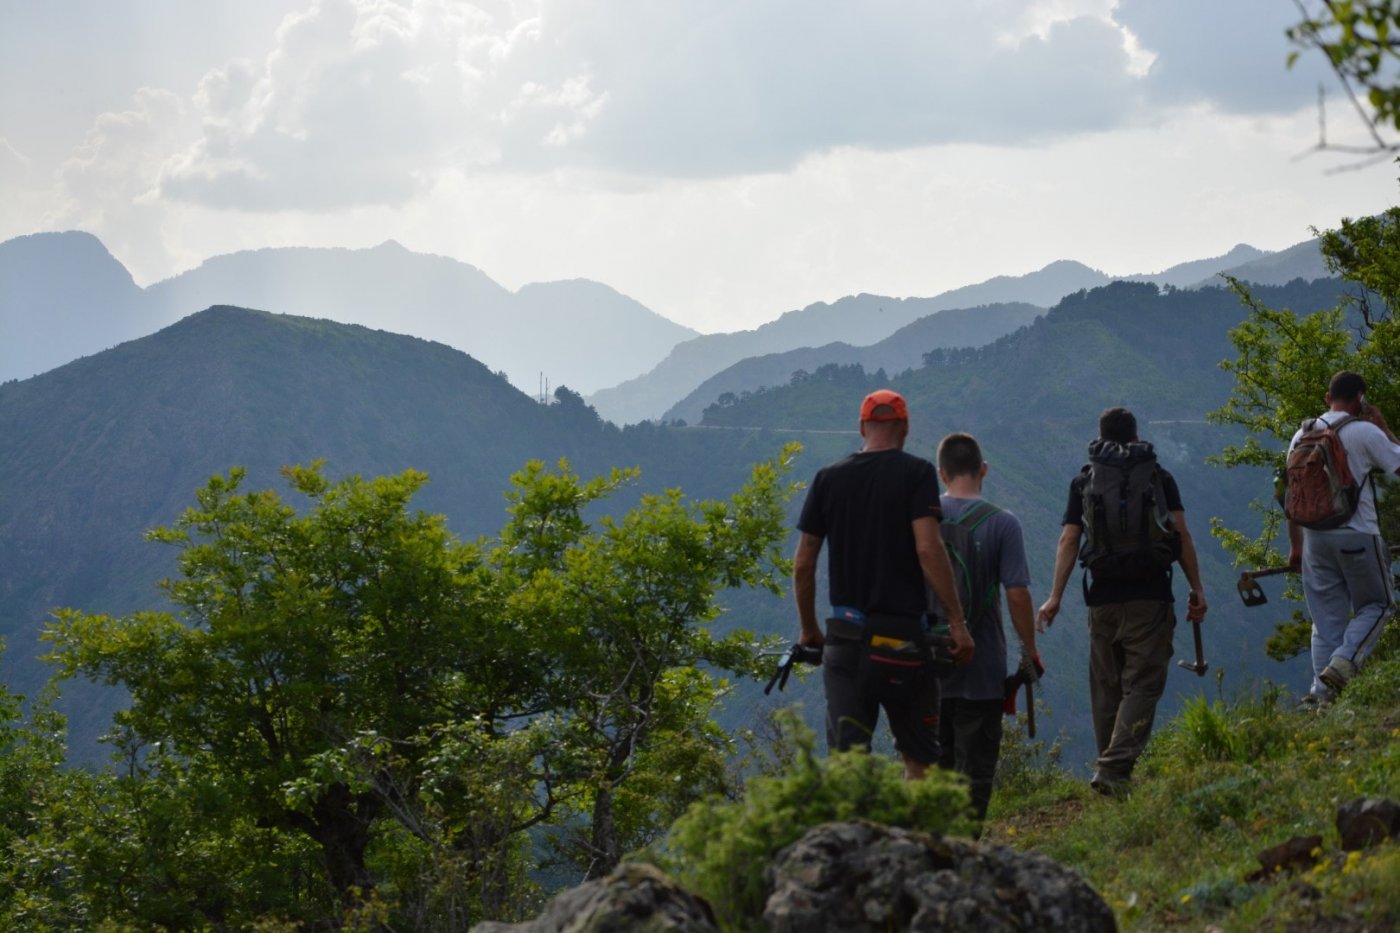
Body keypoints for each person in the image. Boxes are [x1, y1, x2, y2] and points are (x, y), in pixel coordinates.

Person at [792, 389, 973, 779]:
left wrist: (809, 628)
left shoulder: (828, 478)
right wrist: (957, 621)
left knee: (848, 762)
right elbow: (928, 549)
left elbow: (804, 562)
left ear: (862, 427)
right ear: (904, 427)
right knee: (918, 760)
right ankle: (910, 837)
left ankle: (857, 838)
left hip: (846, 637)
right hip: (903, 641)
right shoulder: (916, 473)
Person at [1035, 407, 1207, 797]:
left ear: (1101, 435)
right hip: (1150, 595)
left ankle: (1111, 772)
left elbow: (1068, 540)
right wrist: (1197, 587)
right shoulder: (1159, 478)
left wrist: (1055, 596)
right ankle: (1113, 769)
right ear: (1135, 435)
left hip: (1102, 598)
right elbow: (1182, 536)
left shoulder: (1085, 480)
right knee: (1143, 685)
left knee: (1106, 686)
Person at [933, 432, 1040, 826]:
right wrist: (1029, 649)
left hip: (929, 663)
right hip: (983, 665)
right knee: (975, 772)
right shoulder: (1003, 523)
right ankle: (962, 852)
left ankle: (930, 850)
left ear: (941, 473)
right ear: (983, 470)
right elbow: (1016, 595)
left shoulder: (924, 521)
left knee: (930, 769)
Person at [1286, 371, 1400, 703]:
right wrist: (1386, 429)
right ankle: (1343, 663)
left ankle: (1321, 697)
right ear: (1360, 399)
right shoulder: (1365, 432)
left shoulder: (1300, 436)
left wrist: (1296, 548)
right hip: (1357, 534)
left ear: (1327, 397)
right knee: (1378, 605)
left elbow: (1288, 496)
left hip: (1314, 540)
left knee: (1325, 622)